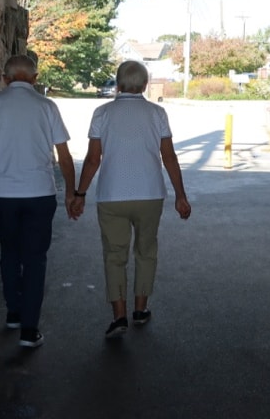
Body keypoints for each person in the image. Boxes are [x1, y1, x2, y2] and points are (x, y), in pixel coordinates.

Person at [71, 60, 191, 339]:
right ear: (145, 84)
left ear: (118, 82)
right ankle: (140, 309)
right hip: (150, 194)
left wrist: (80, 193)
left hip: (112, 196)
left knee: (115, 256)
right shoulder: (157, 113)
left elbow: (92, 159)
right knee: (146, 251)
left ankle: (119, 316)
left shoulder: (102, 113)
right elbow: (169, 156)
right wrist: (180, 195)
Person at [0, 54, 77, 348]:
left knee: (9, 253)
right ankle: (29, 330)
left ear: (5, 78)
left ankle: (13, 312)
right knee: (35, 259)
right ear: (35, 78)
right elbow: (64, 155)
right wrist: (71, 192)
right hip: (40, 192)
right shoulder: (47, 107)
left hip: (3, 193)